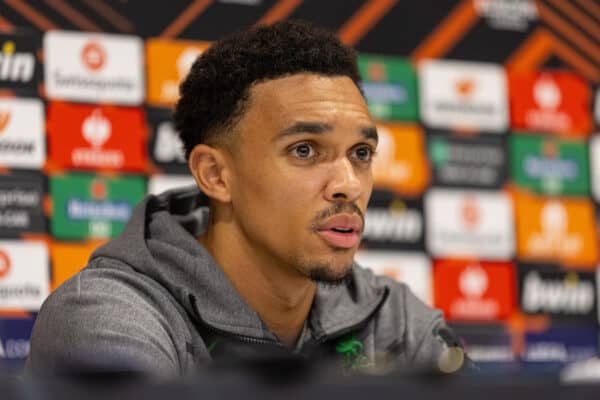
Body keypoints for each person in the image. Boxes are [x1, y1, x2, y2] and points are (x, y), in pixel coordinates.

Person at [27, 20, 465, 378]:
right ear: (216, 175)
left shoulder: (393, 317)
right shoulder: (108, 318)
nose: (348, 184)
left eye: (361, 153)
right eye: (305, 150)